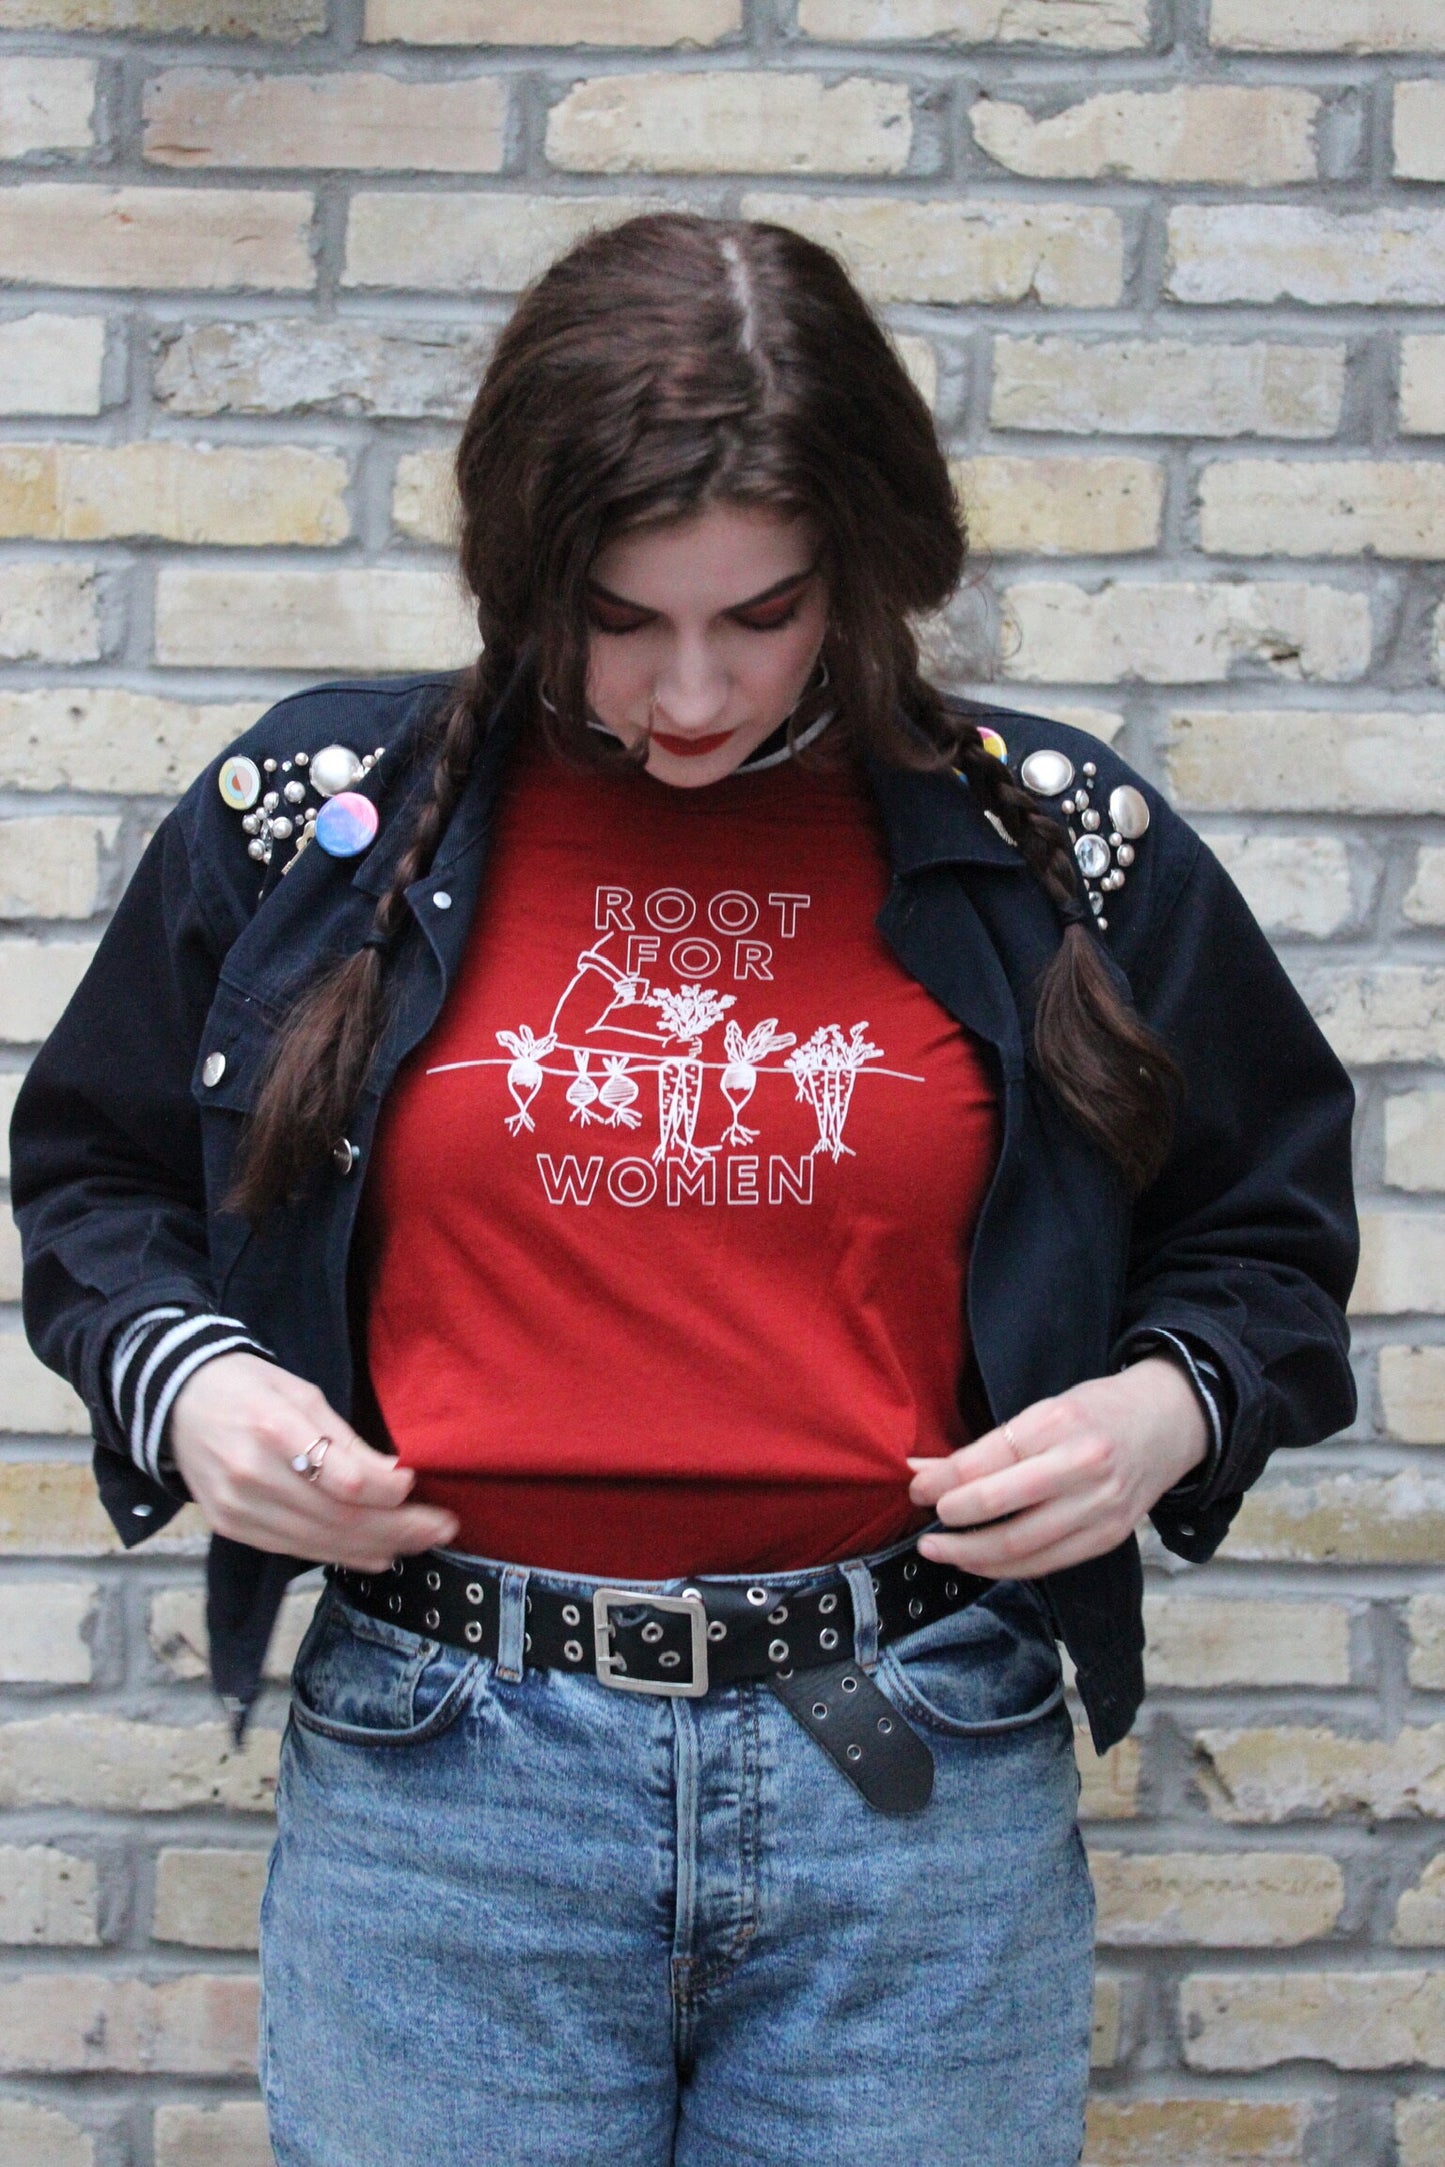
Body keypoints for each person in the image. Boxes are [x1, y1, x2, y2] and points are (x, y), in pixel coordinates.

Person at [11, 213, 1357, 2167]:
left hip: (908, 1769)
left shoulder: (1055, 837)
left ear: (863, 570)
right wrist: (198, 1385)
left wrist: (1167, 1409)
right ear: (521, 568)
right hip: (447, 1772)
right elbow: (94, 1173)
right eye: (622, 620)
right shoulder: (316, 819)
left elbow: (1271, 1224)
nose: (694, 692)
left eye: (765, 612)